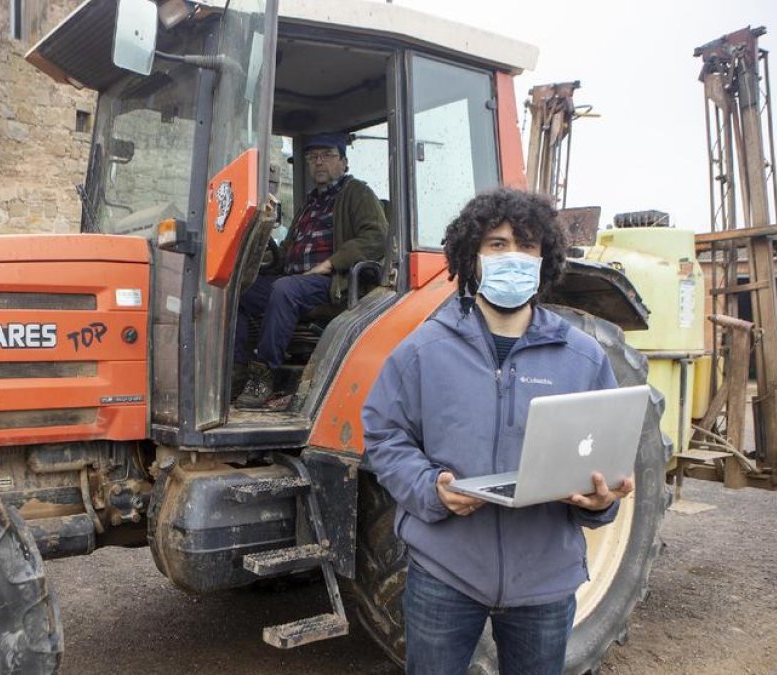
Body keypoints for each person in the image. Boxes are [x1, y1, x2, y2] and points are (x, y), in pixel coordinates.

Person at [361, 188, 635, 674]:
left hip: (545, 579)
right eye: (497, 244)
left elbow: (606, 454)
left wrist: (602, 500)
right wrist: (430, 489)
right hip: (446, 572)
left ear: (545, 258)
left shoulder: (583, 358)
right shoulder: (422, 351)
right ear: (473, 256)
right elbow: (385, 435)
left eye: (527, 247)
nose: (514, 257)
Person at [233, 133, 387, 408]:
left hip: (331, 284)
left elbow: (375, 238)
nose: (319, 162)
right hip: (296, 279)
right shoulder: (310, 203)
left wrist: (330, 263)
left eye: (327, 155)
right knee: (240, 291)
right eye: (313, 157)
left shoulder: (357, 193)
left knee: (284, 290)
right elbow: (291, 247)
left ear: (343, 162)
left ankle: (263, 375)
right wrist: (261, 256)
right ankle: (237, 370)